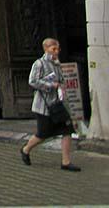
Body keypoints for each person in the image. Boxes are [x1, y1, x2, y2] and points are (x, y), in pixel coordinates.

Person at [20, 37, 80, 171]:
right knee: (43, 134)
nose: (57, 51)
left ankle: (66, 161)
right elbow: (33, 81)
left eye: (58, 49)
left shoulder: (57, 64)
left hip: (57, 104)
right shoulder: (39, 64)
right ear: (46, 49)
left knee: (67, 130)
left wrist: (62, 88)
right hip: (44, 106)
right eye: (54, 49)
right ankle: (26, 149)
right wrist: (51, 85)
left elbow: (61, 80)